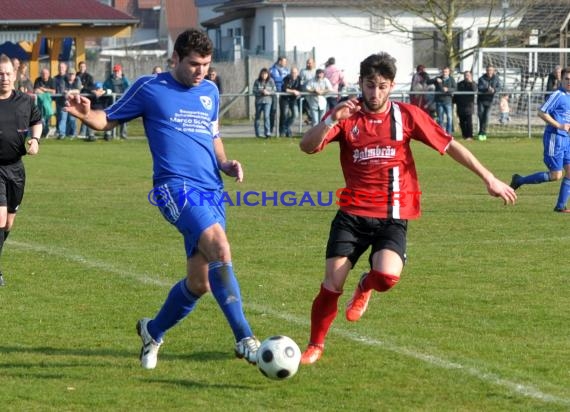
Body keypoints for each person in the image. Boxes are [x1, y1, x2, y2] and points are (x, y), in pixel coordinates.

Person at [298, 52, 517, 365]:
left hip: (392, 216)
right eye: (370, 85)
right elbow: (306, 146)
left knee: (386, 277)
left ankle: (366, 285)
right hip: (352, 216)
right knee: (332, 284)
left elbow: (450, 145)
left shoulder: (407, 116)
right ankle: (315, 345)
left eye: (382, 86)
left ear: (391, 86)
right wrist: (333, 120)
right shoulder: (347, 114)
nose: (375, 93)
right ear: (360, 83)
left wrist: (489, 177)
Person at [64, 28, 260, 368]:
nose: (201, 71)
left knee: (200, 283)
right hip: (174, 187)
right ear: (176, 59)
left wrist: (225, 163)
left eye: (206, 65)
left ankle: (152, 331)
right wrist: (86, 114)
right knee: (220, 246)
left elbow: (213, 136)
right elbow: (105, 120)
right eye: (194, 64)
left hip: (212, 190)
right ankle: (245, 339)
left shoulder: (210, 91)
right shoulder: (149, 88)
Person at [0, 54, 41, 286]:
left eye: (7, 74)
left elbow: (37, 120)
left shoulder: (25, 102)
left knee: (8, 224)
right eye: (0, 74)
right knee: (0, 217)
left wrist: (35, 140)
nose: (4, 78)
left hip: (16, 169)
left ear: (14, 75)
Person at [510, 67, 570, 213]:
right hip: (554, 138)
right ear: (561, 79)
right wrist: (559, 125)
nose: (569, 81)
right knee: (556, 175)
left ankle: (560, 206)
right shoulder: (558, 95)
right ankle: (519, 180)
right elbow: (541, 112)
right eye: (567, 79)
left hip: (566, 140)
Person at [102, 64, 130, 140]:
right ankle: (108, 134)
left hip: (122, 103)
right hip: (111, 103)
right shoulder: (108, 80)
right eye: (115, 71)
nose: (116, 73)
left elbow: (129, 90)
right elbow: (104, 88)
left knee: (123, 119)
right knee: (110, 118)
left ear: (121, 72)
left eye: (117, 71)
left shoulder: (125, 81)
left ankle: (123, 135)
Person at [55, 66, 82, 139]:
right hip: (63, 103)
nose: (71, 75)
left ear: (75, 75)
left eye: (73, 74)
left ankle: (72, 134)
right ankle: (62, 134)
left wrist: (69, 91)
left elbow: (78, 90)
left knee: (72, 119)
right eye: (69, 74)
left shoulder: (77, 79)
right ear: (67, 74)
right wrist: (69, 94)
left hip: (73, 104)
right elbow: (62, 90)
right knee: (62, 119)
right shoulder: (62, 79)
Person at [477, 64, 501, 141]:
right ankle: (481, 132)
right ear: (486, 70)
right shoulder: (481, 78)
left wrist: (494, 90)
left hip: (490, 100)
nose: (489, 72)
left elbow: (499, 87)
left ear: (493, 71)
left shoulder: (496, 78)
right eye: (488, 70)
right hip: (481, 100)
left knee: (486, 117)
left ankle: (483, 133)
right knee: (481, 117)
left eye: (491, 70)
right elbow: (480, 87)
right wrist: (487, 89)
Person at [428, 66, 456, 134]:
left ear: (449, 72)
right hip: (439, 101)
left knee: (449, 118)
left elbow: (455, 88)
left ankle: (448, 133)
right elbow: (428, 82)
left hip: (448, 101)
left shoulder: (451, 79)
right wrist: (436, 80)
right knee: (440, 119)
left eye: (446, 72)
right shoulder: (438, 78)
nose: (444, 73)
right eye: (443, 71)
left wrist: (448, 89)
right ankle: (441, 133)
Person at [253, 67, 276, 138]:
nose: (264, 76)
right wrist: (261, 92)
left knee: (266, 116)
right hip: (259, 102)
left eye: (265, 74)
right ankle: (258, 133)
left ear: (268, 74)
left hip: (268, 101)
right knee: (258, 117)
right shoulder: (257, 81)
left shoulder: (271, 81)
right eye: (263, 74)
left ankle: (267, 132)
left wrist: (268, 93)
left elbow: (274, 90)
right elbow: (254, 91)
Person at [33, 67, 56, 138]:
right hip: (39, 104)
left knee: (46, 118)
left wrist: (44, 89)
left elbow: (54, 91)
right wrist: (46, 92)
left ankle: (45, 132)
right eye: (42, 73)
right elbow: (36, 90)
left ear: (48, 74)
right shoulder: (38, 80)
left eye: (46, 73)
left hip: (48, 104)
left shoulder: (52, 80)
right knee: (41, 118)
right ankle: (43, 132)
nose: (44, 75)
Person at [269, 56, 289, 136]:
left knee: (284, 113)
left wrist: (283, 80)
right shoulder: (272, 70)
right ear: (280, 61)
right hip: (274, 93)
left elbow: (288, 79)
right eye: (284, 62)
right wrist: (283, 79)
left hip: (283, 93)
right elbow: (275, 79)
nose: (285, 63)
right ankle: (270, 130)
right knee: (273, 112)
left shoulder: (286, 70)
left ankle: (281, 131)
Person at [454, 70, 477, 140]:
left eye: (468, 75)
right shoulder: (460, 84)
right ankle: (464, 135)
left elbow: (474, 90)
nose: (467, 77)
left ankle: (470, 136)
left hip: (469, 105)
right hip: (460, 105)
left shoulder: (473, 83)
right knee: (462, 122)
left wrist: (471, 82)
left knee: (469, 122)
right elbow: (456, 94)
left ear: (471, 76)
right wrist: (454, 101)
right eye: (465, 75)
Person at [77, 61, 97, 140]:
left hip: (87, 100)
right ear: (79, 67)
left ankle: (89, 133)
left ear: (85, 67)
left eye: (83, 66)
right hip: (77, 99)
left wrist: (83, 87)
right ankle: (81, 133)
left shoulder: (89, 77)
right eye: (80, 66)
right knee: (80, 116)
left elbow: (92, 88)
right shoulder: (76, 75)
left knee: (87, 116)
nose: (82, 68)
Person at [281, 66, 302, 137]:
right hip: (285, 99)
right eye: (292, 72)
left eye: (295, 73)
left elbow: (301, 89)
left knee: (295, 115)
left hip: (293, 99)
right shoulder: (286, 78)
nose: (294, 74)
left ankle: (284, 128)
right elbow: (284, 88)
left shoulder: (299, 79)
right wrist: (293, 91)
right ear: (290, 73)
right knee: (285, 115)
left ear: (297, 73)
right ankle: (286, 132)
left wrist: (297, 92)